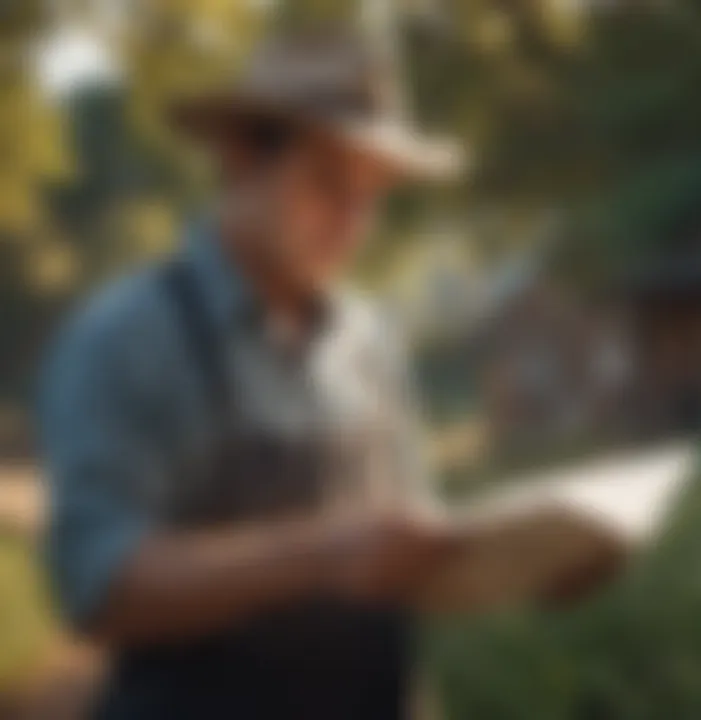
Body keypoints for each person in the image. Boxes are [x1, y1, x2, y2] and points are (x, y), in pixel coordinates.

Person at [39, 29, 464, 720]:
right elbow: (97, 583)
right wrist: (321, 551)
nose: (353, 222)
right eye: (329, 182)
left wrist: (534, 559)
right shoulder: (123, 338)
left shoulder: (374, 340)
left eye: (372, 193)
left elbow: (415, 553)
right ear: (240, 157)